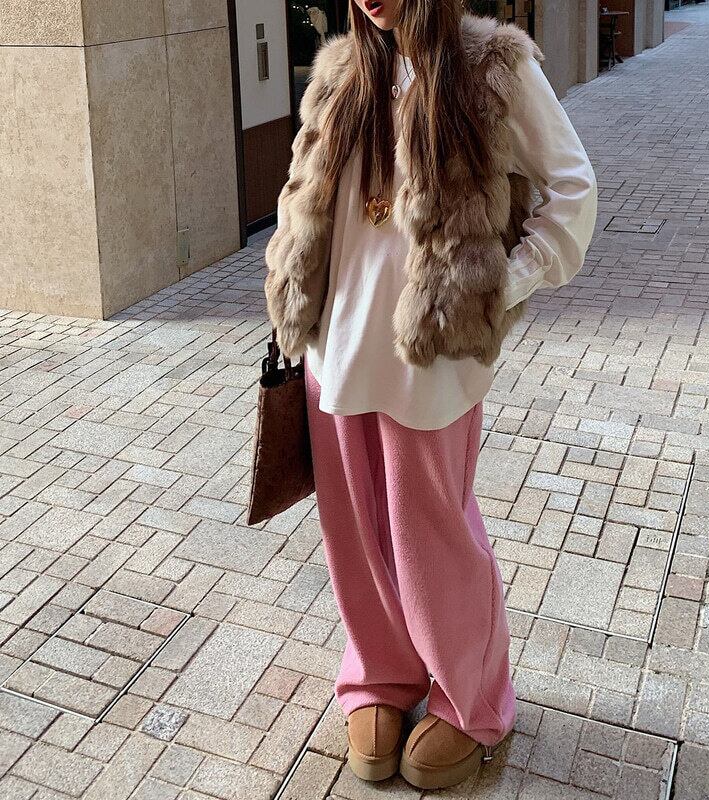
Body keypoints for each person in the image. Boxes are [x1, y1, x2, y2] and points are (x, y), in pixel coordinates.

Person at [265, 0, 597, 789]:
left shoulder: (492, 66)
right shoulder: (343, 71)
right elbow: (304, 196)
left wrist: (494, 285)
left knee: (434, 535)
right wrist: (290, 284)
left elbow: (573, 189)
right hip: (335, 350)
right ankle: (380, 673)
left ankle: (473, 697)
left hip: (431, 360)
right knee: (355, 535)